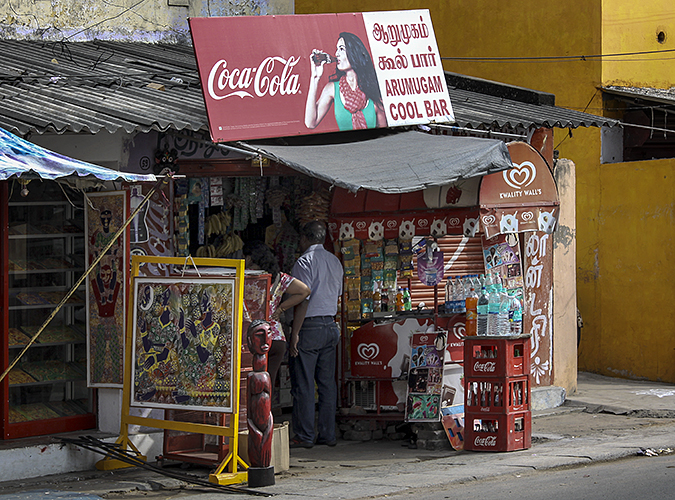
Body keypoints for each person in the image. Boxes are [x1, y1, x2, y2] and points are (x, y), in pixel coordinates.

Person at [289, 221, 344, 448]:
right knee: (327, 384)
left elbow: (303, 298)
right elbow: (337, 295)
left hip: (310, 326)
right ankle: (327, 434)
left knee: (303, 383)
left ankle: (304, 435)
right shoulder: (335, 261)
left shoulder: (304, 262)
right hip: (330, 325)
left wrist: (295, 333)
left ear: (305, 238)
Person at [243, 240, 311, 402]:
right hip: (276, 339)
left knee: (247, 384)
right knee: (268, 384)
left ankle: (247, 418)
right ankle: (265, 417)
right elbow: (305, 291)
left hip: (250, 339)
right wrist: (280, 309)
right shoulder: (279, 278)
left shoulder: (244, 277)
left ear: (251, 258)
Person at [304, 32, 387, 131]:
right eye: (337, 49)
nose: (336, 54)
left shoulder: (373, 91)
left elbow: (384, 133)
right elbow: (310, 123)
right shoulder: (332, 89)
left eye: (341, 49)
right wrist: (315, 78)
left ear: (355, 52)